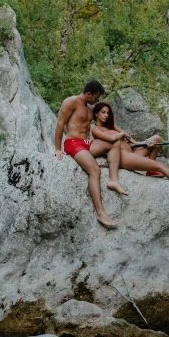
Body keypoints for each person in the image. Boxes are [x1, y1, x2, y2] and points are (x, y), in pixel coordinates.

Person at [54, 80, 129, 229]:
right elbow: (60, 123)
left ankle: (113, 180)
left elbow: (107, 122)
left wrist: (122, 133)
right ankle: (101, 213)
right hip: (73, 144)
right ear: (88, 94)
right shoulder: (71, 102)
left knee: (115, 142)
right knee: (95, 170)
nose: (97, 100)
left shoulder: (91, 108)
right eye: (96, 97)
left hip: (87, 144)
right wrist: (57, 148)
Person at [91, 102, 169, 194]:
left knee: (156, 139)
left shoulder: (112, 126)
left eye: (108, 113)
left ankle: (150, 171)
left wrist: (144, 143)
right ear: (96, 114)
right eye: (103, 112)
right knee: (160, 165)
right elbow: (112, 140)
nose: (106, 115)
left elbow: (130, 142)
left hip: (131, 152)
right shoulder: (96, 130)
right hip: (123, 158)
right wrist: (121, 134)